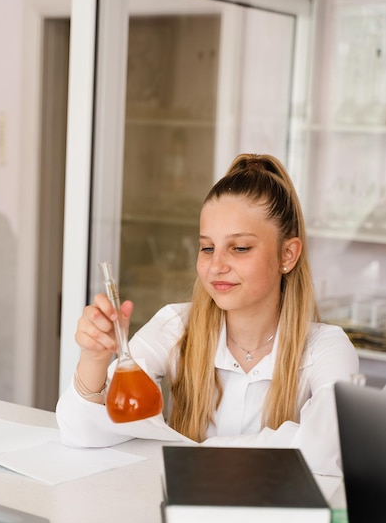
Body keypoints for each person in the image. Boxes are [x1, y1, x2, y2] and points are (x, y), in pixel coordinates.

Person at [56, 153, 359, 476]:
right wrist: (94, 359)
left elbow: (331, 449)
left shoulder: (326, 348)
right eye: (207, 248)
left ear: (288, 254)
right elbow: (81, 432)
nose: (216, 266)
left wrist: (192, 452)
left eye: (240, 248)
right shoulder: (175, 327)